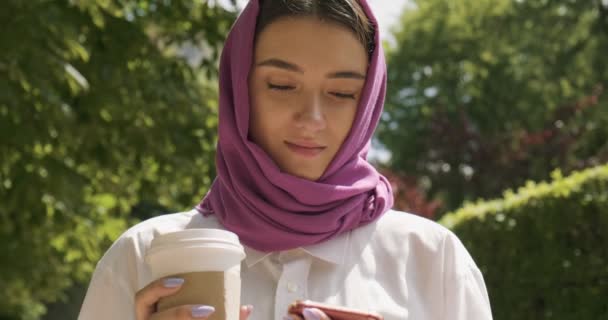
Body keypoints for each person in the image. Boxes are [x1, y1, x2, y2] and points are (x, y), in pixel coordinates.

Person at [78, 0, 493, 319]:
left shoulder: (432, 260)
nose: (311, 119)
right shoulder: (145, 257)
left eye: (342, 93)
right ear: (238, 91)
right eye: (281, 85)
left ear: (367, 102)